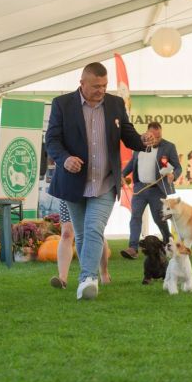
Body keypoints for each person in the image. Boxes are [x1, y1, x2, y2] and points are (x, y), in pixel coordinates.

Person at [45, 61, 154, 300]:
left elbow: (129, 136)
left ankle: (87, 280)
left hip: (105, 182)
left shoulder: (115, 104)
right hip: (73, 183)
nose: (101, 90)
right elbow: (52, 140)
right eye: (96, 86)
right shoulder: (62, 104)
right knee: (82, 234)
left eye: (104, 85)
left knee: (94, 228)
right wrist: (65, 159)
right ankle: (86, 277)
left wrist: (142, 141)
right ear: (82, 83)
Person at [120, 122, 182, 259]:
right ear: (148, 133)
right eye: (154, 136)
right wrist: (122, 174)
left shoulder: (169, 147)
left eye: (159, 136)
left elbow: (178, 167)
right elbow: (132, 162)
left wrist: (173, 175)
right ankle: (133, 248)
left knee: (159, 219)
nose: (157, 139)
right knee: (135, 216)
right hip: (139, 188)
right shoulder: (138, 145)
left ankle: (167, 241)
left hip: (157, 190)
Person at [50, 200, 111, 289]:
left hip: (93, 195)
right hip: (71, 195)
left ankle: (104, 273)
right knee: (66, 233)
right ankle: (62, 279)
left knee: (95, 233)